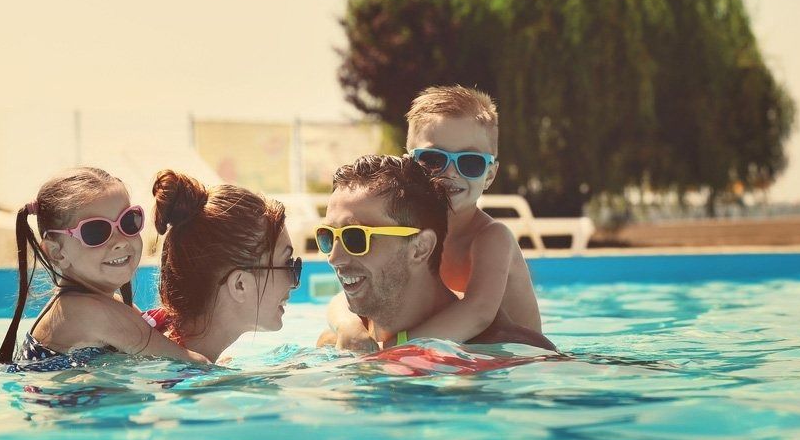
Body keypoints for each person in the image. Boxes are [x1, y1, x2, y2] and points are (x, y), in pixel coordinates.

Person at [318, 155, 554, 352]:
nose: (334, 257)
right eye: (327, 237)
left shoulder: (506, 351)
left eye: (355, 237)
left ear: (420, 248)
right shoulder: (341, 344)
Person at [0, 167, 206, 368]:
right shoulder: (90, 313)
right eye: (95, 231)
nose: (120, 240)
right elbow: (191, 364)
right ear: (57, 252)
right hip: (79, 405)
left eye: (128, 222)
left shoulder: (89, 306)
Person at [149, 169, 302, 362]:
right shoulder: (186, 382)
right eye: (288, 264)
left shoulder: (149, 335)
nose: (294, 281)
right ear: (240, 285)